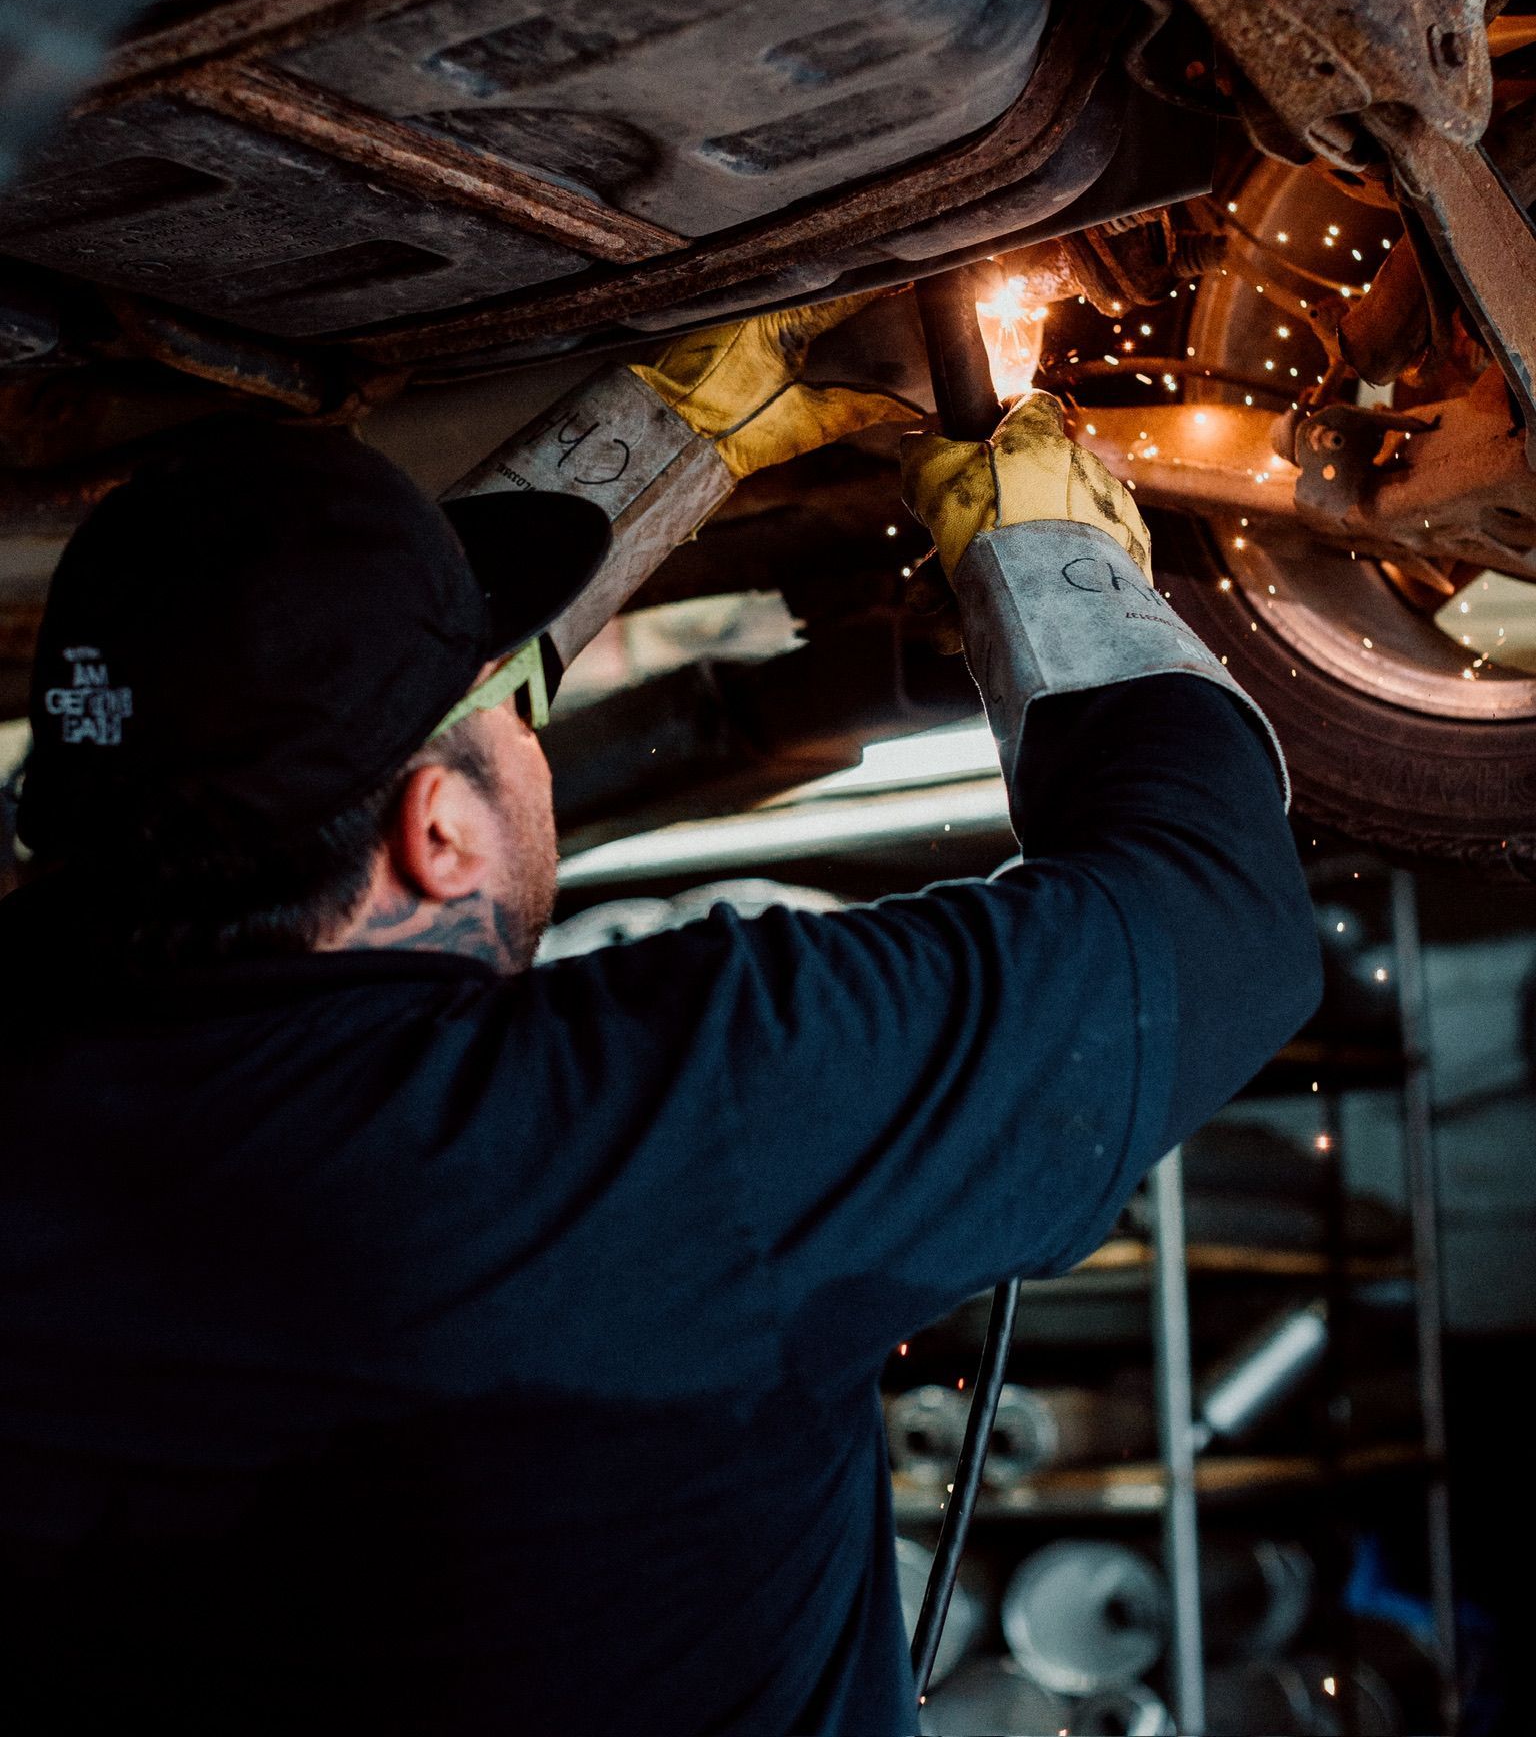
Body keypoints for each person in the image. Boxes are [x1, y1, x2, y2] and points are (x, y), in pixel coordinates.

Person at [0, 303, 1320, 1736]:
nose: (529, 720)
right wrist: (1050, 559)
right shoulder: (650, 1138)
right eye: (508, 714)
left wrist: (671, 444)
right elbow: (1215, 919)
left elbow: (343, 733)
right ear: (437, 832)